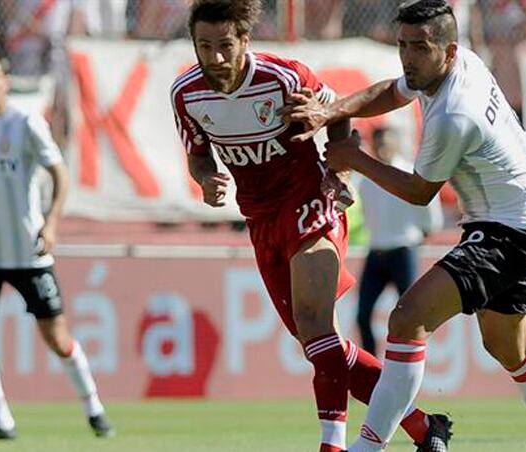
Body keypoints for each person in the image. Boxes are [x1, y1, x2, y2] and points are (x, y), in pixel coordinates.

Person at [282, 1, 526, 451]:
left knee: (408, 318)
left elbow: (419, 191)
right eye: (403, 45)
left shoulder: (454, 114)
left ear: (447, 51)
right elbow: (393, 91)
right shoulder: (455, 63)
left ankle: (370, 446)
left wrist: (355, 160)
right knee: (509, 345)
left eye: (420, 47)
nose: (408, 57)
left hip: (508, 230)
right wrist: (331, 113)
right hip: (514, 219)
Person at [170, 2, 444, 451]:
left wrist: (339, 173)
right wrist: (205, 180)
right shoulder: (186, 93)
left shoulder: (284, 77)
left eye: (225, 46)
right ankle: (421, 425)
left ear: (245, 41)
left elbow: (338, 112)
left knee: (317, 327)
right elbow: (199, 154)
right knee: (319, 345)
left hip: (309, 202)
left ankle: (332, 444)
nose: (215, 58)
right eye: (205, 46)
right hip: (260, 220)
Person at [0, 47, 113, 440]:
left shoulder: (25, 124)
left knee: (57, 337)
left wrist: (51, 223)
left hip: (28, 251)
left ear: (6, 82)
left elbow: (59, 173)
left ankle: (93, 407)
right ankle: (1, 418)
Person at [356, 127, 442, 357]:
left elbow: (430, 215)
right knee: (362, 314)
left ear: (396, 143)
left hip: (403, 251)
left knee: (412, 315)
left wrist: (419, 234)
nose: (382, 148)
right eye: (378, 143)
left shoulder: (408, 173)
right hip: (376, 251)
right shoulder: (367, 181)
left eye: (386, 142)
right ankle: (372, 369)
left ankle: (410, 364)